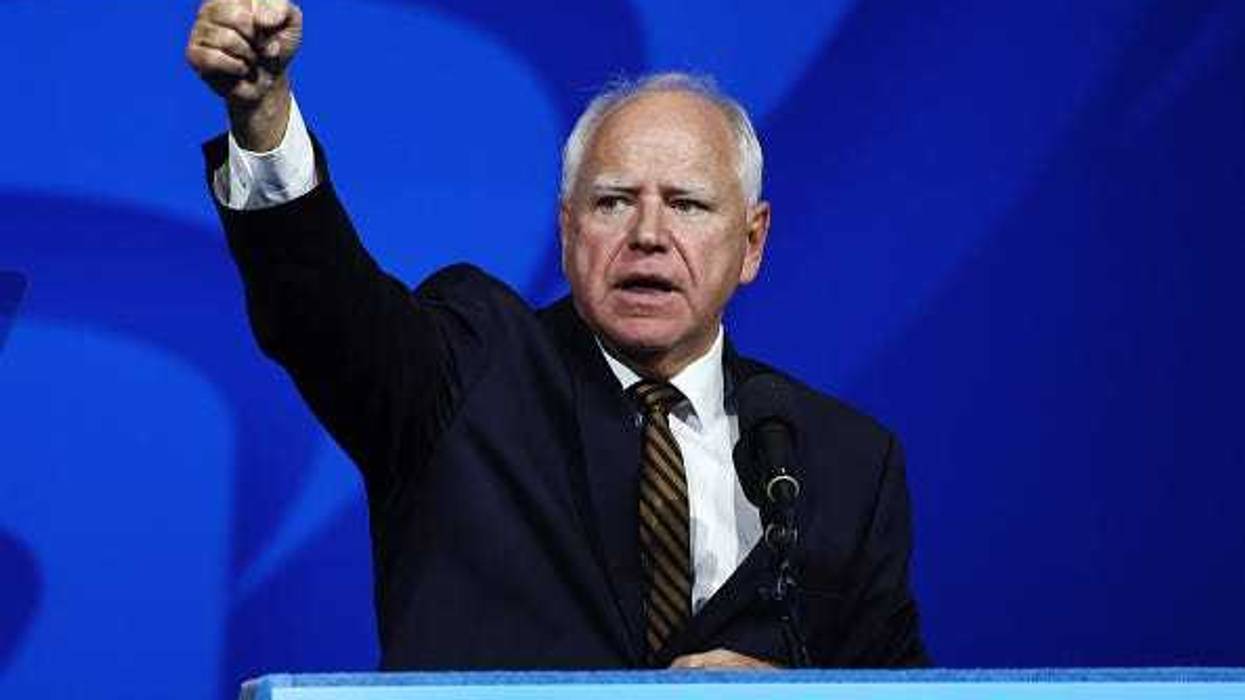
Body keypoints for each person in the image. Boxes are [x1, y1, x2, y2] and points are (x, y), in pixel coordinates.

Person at [187, 0, 928, 670]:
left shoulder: (845, 463)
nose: (648, 234)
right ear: (567, 230)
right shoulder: (467, 373)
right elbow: (322, 311)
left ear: (752, 242)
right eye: (612, 202)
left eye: (687, 205)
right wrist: (263, 116)